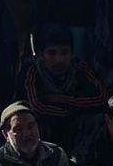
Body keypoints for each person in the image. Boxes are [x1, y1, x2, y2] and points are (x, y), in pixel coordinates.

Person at [19, 24, 107, 155]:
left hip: (76, 132)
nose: (59, 60)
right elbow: (35, 106)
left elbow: (102, 99)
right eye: (52, 53)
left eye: (65, 53)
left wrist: (60, 99)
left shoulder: (78, 66)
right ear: (41, 54)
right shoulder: (31, 69)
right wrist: (72, 111)